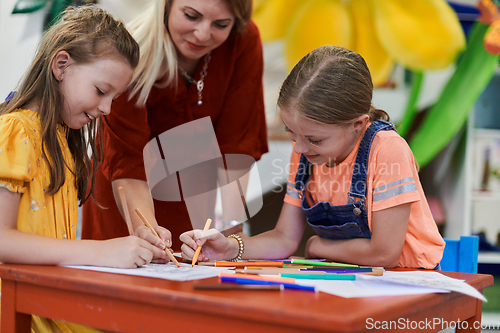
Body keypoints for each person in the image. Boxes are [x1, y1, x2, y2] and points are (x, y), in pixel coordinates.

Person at [180, 45, 445, 269]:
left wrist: (318, 244)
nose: (299, 149)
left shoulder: (387, 150)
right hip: (353, 277)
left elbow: (384, 254)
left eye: (315, 139)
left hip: (411, 279)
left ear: (358, 124)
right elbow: (284, 239)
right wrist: (228, 248)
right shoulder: (308, 153)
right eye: (292, 134)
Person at [0, 6, 167, 332]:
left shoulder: (63, 139)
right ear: (62, 65)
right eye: (101, 91)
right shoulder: (15, 132)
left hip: (50, 309)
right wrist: (102, 251)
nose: (105, 109)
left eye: (113, 99)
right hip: (19, 314)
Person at [81, 0, 268, 251]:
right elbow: (128, 161)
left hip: (193, 195)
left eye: (221, 24)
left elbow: (237, 146)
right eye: (191, 16)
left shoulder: (242, 41)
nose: (202, 34)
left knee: (191, 272)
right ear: (166, 5)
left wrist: (234, 240)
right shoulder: (132, 53)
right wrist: (146, 232)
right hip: (126, 192)